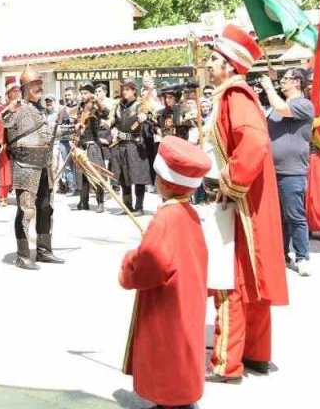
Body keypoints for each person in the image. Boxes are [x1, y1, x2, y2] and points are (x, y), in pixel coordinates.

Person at [202, 25, 289, 385]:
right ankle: (255, 352)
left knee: (230, 278)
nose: (208, 65)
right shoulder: (232, 94)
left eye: (213, 59)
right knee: (250, 277)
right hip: (243, 198)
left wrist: (230, 182)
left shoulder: (234, 96)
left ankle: (228, 362)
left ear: (228, 65)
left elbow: (253, 144)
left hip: (238, 200)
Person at [120, 136, 211, 409]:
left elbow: (150, 268)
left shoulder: (165, 218)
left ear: (165, 181)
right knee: (181, 354)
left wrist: (129, 261)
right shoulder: (188, 213)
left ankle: (171, 402)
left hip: (168, 305)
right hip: (187, 299)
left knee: (167, 355)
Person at [0, 67, 62, 270]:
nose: (39, 88)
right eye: (35, 85)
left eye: (40, 84)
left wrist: (70, 130)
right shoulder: (19, 108)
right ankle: (23, 255)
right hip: (25, 165)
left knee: (46, 208)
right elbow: (4, 121)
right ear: (25, 88)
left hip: (44, 164)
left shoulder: (41, 109)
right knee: (26, 210)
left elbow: (47, 133)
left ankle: (44, 251)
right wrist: (12, 106)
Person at [260, 68, 316, 275]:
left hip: (292, 170)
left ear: (297, 82)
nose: (282, 82)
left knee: (295, 215)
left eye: (286, 79)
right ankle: (281, 253)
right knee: (277, 216)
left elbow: (282, 109)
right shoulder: (275, 106)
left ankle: (302, 256)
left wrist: (268, 86)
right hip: (271, 169)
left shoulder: (303, 104)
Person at [112, 80, 152, 215]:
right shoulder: (119, 106)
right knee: (124, 177)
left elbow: (153, 116)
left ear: (134, 90)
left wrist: (145, 116)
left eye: (128, 89)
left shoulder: (140, 105)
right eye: (123, 89)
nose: (125, 92)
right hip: (121, 145)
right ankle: (127, 206)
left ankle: (139, 207)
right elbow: (114, 122)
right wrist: (112, 129)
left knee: (138, 176)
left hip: (135, 146)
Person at [75, 83, 111, 213]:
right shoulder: (80, 108)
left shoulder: (96, 108)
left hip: (93, 145)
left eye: (85, 93)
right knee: (82, 175)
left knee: (97, 174)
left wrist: (98, 101)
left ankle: (100, 202)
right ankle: (83, 201)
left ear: (91, 94)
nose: (83, 96)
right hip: (81, 145)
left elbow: (107, 113)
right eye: (82, 93)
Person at [0, 79, 19, 206]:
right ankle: (3, 196)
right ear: (8, 93)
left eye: (18, 91)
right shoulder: (2, 109)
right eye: (14, 91)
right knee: (4, 170)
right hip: (6, 143)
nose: (16, 93)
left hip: (20, 143)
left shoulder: (23, 107)